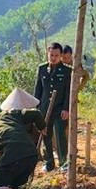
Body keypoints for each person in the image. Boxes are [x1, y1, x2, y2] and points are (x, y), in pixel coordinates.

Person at [33, 42, 72, 171]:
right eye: (51, 55)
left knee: (60, 133)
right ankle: (49, 162)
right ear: (47, 54)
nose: (53, 57)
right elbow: (38, 90)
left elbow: (68, 92)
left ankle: (63, 163)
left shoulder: (67, 71)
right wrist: (35, 109)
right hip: (44, 108)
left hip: (59, 109)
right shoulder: (42, 68)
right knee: (45, 134)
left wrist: (66, 108)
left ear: (61, 55)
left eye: (56, 55)